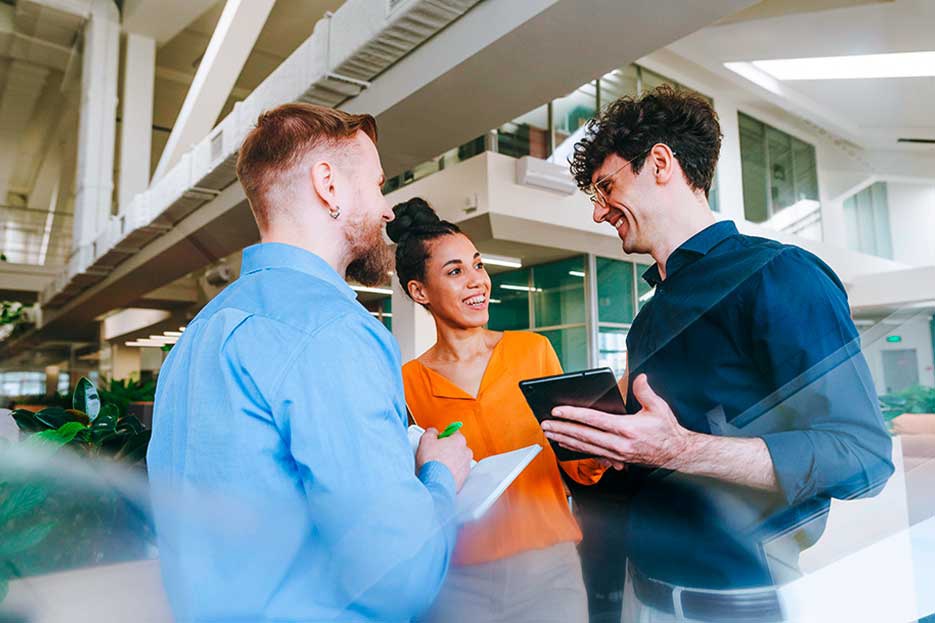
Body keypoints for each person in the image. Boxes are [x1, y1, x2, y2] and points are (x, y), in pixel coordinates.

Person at [540, 86, 894, 622]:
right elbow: (653, 454)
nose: (598, 214)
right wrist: (611, 446)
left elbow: (864, 456)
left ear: (660, 163)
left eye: (606, 188)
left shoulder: (780, 275)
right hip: (647, 599)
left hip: (740, 609)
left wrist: (680, 450)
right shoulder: (650, 315)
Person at [146, 104, 473, 622]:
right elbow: (399, 577)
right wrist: (437, 476)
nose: (388, 209)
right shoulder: (334, 331)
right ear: (329, 185)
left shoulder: (198, 334)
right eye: (377, 183)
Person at [387, 198, 609, 623]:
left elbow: (576, 464)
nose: (477, 282)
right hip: (457, 583)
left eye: (478, 265)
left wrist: (599, 449)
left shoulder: (533, 351)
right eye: (455, 272)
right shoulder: (406, 385)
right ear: (419, 291)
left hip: (551, 572)